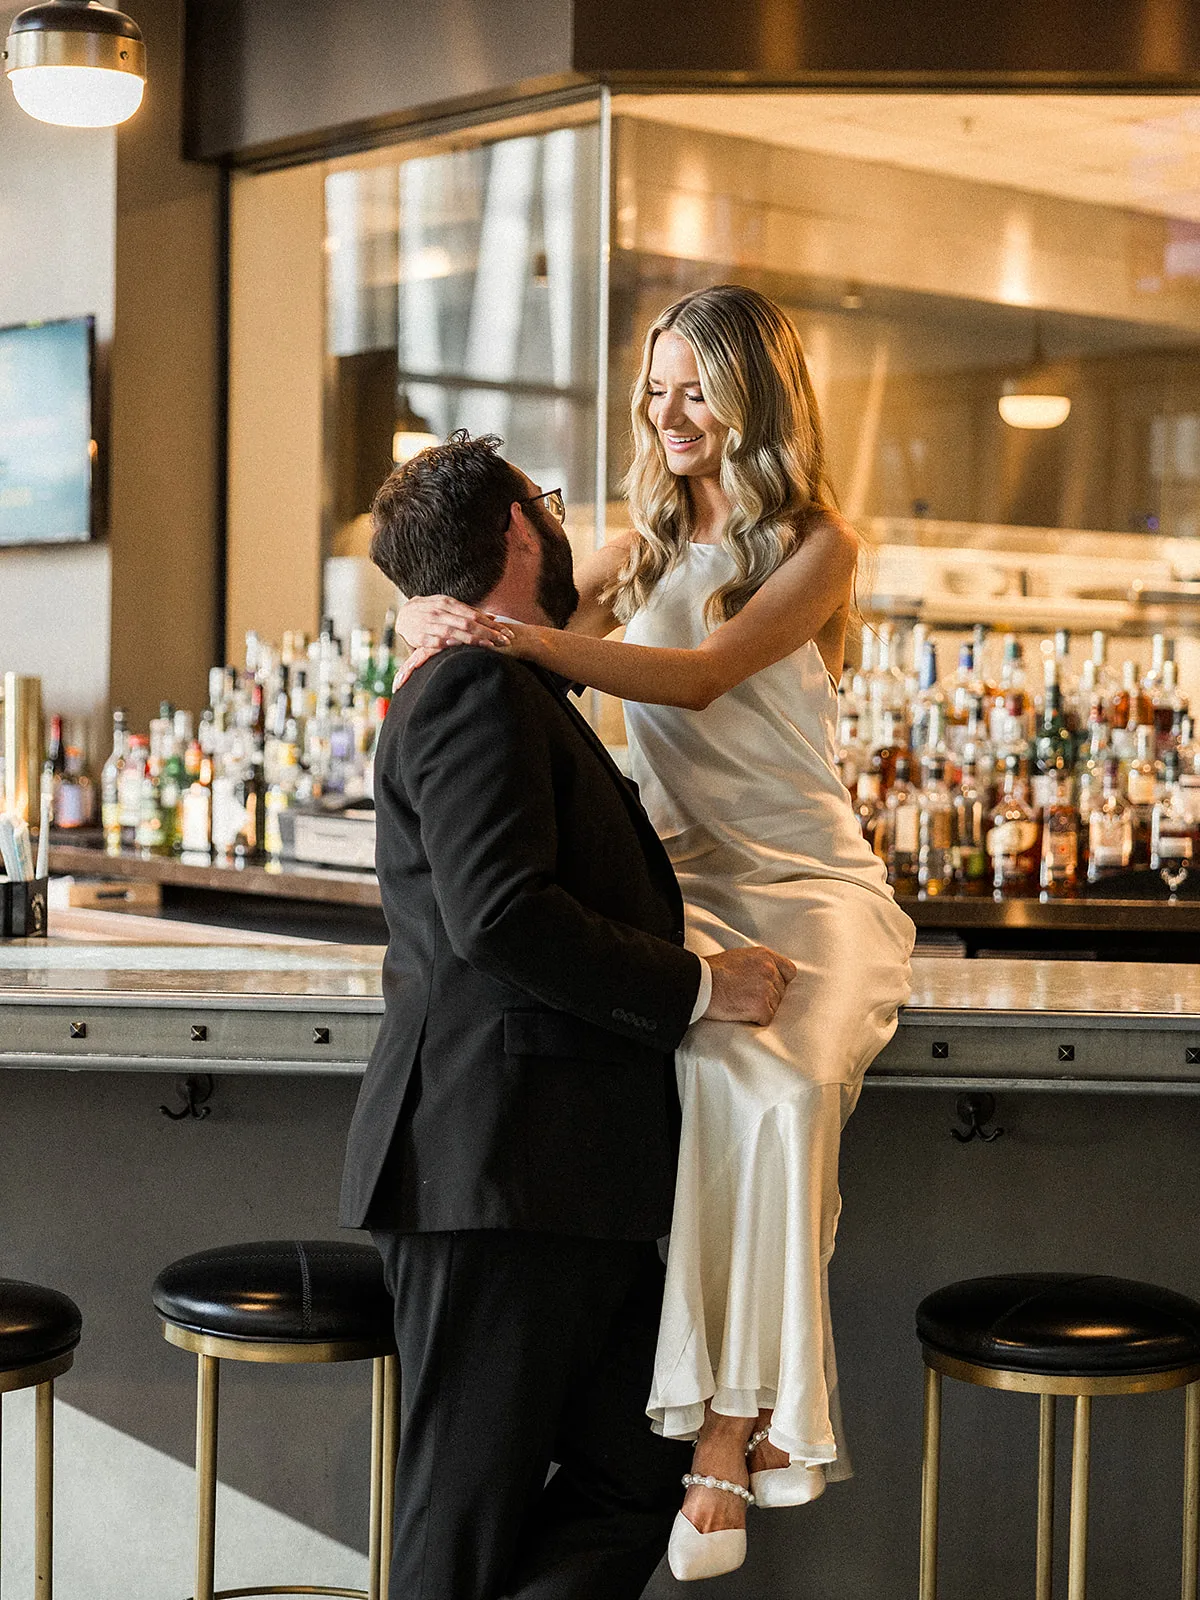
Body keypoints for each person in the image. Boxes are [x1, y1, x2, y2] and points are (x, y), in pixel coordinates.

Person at [395, 283, 917, 1581]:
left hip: (809, 882)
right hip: (685, 884)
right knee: (701, 1078)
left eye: (697, 389)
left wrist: (519, 635)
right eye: (657, 386)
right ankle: (694, 1413)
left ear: (753, 403)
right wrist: (471, 629)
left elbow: (695, 677)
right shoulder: (635, 544)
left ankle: (734, 1433)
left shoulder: (818, 545)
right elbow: (535, 679)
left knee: (788, 1097)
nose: (668, 412)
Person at [339, 429, 796, 1600]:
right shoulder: (476, 688)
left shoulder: (504, 674)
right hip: (498, 1167)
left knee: (637, 1467)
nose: (563, 524)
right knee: (463, 1519)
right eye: (545, 505)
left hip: (554, 1174)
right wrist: (699, 983)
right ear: (513, 532)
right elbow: (500, 916)